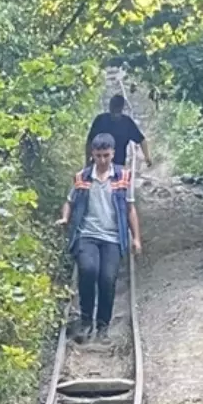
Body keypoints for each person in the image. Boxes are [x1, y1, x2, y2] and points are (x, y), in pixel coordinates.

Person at [59, 134, 141, 339]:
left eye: (106, 155)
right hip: (87, 233)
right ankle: (86, 320)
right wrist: (65, 218)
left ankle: (103, 325)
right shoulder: (82, 177)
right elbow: (69, 201)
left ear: (113, 153)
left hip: (113, 237)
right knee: (88, 270)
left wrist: (136, 238)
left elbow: (130, 209)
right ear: (92, 155)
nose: (102, 160)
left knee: (107, 278)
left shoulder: (123, 177)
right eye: (98, 156)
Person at [85, 93, 152, 169]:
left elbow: (141, 140)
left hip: (117, 166)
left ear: (121, 108)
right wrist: (87, 161)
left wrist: (147, 157)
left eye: (117, 109)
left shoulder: (126, 123)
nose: (115, 112)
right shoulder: (100, 120)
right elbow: (89, 141)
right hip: (100, 164)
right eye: (114, 109)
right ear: (110, 107)